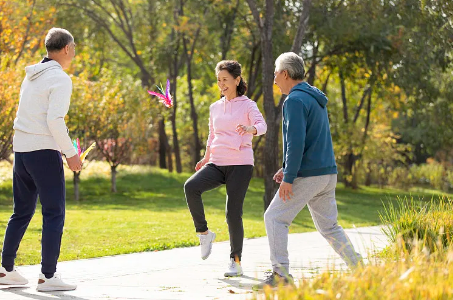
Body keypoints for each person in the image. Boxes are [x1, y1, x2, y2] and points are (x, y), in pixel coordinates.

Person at [263, 52, 362, 286]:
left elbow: (296, 143)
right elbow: (310, 141)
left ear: (285, 73)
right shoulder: (313, 98)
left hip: (309, 174)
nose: (274, 79)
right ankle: (360, 269)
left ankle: (281, 275)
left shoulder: (294, 101)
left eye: (275, 73)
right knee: (329, 226)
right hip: (327, 173)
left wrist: (289, 177)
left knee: (275, 218)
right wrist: (286, 167)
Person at [0, 28, 81, 292]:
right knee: (54, 212)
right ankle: (48, 276)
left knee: (21, 211)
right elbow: (54, 120)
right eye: (74, 48)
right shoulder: (60, 79)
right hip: (44, 153)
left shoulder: (31, 76)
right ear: (67, 48)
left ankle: (5, 269)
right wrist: (71, 154)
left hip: (21, 152)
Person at [184, 60, 267, 277]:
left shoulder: (248, 105)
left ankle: (235, 261)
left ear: (237, 80)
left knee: (233, 214)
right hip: (217, 162)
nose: (221, 84)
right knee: (191, 187)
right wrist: (205, 158)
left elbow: (262, 125)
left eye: (225, 80)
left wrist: (251, 128)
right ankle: (204, 233)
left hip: (240, 163)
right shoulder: (215, 107)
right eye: (219, 80)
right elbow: (212, 135)